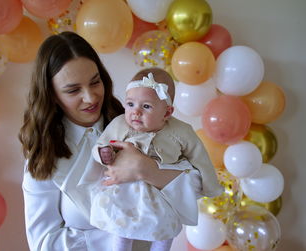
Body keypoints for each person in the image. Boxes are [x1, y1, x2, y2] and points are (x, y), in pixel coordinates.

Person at [19, 31, 222, 251]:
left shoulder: (140, 125)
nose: (90, 97)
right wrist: (117, 233)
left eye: (95, 82)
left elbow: (198, 184)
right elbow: (42, 243)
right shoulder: (44, 155)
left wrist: (150, 171)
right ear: (52, 95)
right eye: (73, 90)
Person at [89, 68, 223, 251]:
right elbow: (102, 143)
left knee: (166, 227)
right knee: (121, 226)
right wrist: (103, 153)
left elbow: (200, 157)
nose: (135, 112)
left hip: (162, 194)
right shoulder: (120, 123)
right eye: (130, 104)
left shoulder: (181, 131)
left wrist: (211, 186)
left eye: (146, 106)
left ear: (167, 113)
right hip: (125, 189)